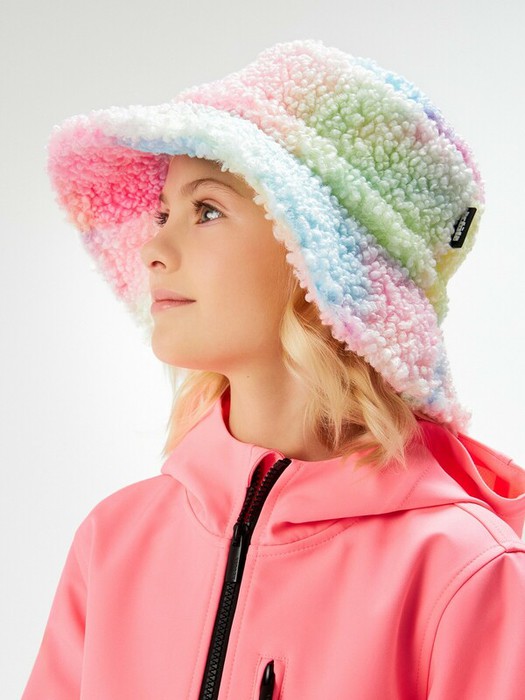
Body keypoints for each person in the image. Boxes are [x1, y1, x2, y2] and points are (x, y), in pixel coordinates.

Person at [22, 39, 525, 699]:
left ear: (315, 260)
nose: (153, 248)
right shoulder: (113, 543)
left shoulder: (462, 571)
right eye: (163, 212)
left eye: (206, 210)